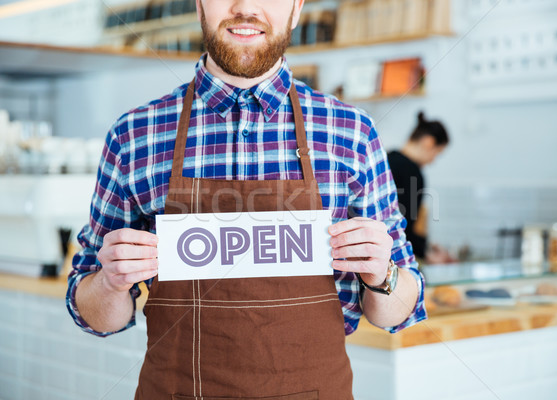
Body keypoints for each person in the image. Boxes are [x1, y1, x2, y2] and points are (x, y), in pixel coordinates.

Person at [66, 0, 426, 398]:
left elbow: (399, 309)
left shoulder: (352, 132)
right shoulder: (134, 135)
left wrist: (383, 274)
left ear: (297, 7)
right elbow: (95, 316)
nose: (246, 6)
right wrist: (110, 283)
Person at [387, 111, 452, 264]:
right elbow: (404, 227)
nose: (433, 161)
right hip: (395, 260)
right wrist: (426, 253)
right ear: (428, 142)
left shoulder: (385, 158)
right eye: (437, 153)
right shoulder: (413, 173)